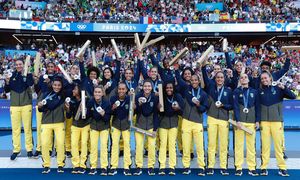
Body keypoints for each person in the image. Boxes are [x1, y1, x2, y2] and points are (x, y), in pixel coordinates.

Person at [259, 71, 296, 177]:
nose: (264, 80)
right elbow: (257, 107)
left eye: (266, 78)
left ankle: (282, 168)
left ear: (270, 78)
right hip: (264, 122)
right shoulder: (259, 91)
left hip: (276, 122)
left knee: (278, 147)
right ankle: (263, 168)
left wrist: (284, 88)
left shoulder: (279, 89)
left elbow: (293, 96)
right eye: (262, 79)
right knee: (265, 147)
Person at [201, 67, 233, 176]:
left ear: (224, 79)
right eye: (217, 77)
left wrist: (223, 105)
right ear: (215, 79)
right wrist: (203, 66)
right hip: (212, 118)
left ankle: (223, 166)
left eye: (221, 77)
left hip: (224, 119)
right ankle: (210, 166)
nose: (219, 79)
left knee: (223, 144)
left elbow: (231, 106)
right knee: (211, 144)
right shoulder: (211, 88)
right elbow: (205, 77)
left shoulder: (228, 91)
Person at [4, 59, 34, 160]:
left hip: (26, 105)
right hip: (14, 106)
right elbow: (7, 90)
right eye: (16, 64)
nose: (18, 66)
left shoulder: (28, 74)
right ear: (15, 66)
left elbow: (30, 83)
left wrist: (27, 72)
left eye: (20, 64)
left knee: (27, 128)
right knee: (15, 129)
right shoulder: (12, 75)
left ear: (23, 65)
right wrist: (7, 82)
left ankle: (29, 149)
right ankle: (16, 150)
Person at [180, 74, 208, 176]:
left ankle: (201, 166)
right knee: (186, 146)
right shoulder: (186, 91)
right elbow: (179, 80)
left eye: (196, 80)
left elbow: (204, 108)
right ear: (190, 81)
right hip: (186, 121)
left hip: (197, 122)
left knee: (200, 146)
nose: (194, 82)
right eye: (192, 80)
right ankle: (186, 166)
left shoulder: (203, 94)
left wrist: (198, 105)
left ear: (199, 81)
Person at [233, 73, 260, 176]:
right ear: (240, 80)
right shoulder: (236, 91)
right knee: (239, 146)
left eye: (245, 77)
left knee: (251, 146)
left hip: (251, 122)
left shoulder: (254, 92)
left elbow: (257, 107)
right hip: (240, 122)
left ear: (248, 80)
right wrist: (238, 120)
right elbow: (235, 106)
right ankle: (238, 167)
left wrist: (257, 120)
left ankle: (252, 168)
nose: (243, 78)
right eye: (241, 77)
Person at [38, 77, 66, 174]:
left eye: (59, 85)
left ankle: (60, 165)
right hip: (46, 122)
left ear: (61, 86)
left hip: (59, 122)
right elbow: (40, 109)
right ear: (52, 85)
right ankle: (46, 165)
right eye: (55, 85)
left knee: (60, 144)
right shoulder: (45, 94)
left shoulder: (63, 96)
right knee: (45, 144)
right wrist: (40, 105)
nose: (57, 87)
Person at [158, 82, 184, 176]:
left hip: (173, 124)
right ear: (165, 89)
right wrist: (158, 108)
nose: (169, 89)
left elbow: (182, 112)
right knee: (163, 145)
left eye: (171, 87)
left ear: (173, 88)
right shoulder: (161, 97)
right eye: (167, 88)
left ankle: (172, 167)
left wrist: (178, 108)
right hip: (163, 124)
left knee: (172, 145)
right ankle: (162, 166)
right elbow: (159, 112)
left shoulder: (177, 97)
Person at [134, 79, 159, 176]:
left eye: (149, 86)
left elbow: (156, 114)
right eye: (145, 86)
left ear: (152, 87)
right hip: (139, 125)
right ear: (142, 87)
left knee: (152, 146)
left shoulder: (155, 98)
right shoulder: (138, 96)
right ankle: (138, 166)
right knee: (139, 146)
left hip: (151, 126)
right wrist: (139, 105)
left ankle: (151, 166)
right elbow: (136, 112)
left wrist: (155, 129)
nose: (147, 88)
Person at [34, 62, 57, 158]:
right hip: (41, 104)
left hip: (53, 105)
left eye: (52, 66)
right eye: (48, 66)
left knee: (53, 128)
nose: (50, 68)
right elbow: (37, 90)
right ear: (46, 68)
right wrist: (36, 82)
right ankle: (39, 148)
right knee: (40, 128)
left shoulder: (57, 77)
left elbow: (57, 90)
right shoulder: (42, 77)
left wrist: (50, 83)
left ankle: (52, 149)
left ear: (54, 68)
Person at [65, 85, 90, 174]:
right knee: (74, 144)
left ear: (80, 91)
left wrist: (86, 111)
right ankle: (75, 165)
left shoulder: (87, 100)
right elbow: (68, 116)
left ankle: (83, 165)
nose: (73, 90)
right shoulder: (71, 100)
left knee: (84, 144)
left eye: (75, 89)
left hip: (85, 125)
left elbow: (90, 114)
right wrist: (67, 109)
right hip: (75, 125)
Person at [109, 82, 132, 176]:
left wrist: (134, 107)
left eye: (123, 89)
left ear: (126, 90)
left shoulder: (130, 99)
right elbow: (109, 112)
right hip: (115, 125)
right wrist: (112, 108)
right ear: (117, 90)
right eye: (120, 89)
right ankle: (113, 166)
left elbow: (133, 112)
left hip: (126, 125)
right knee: (114, 145)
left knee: (127, 145)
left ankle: (127, 166)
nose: (121, 91)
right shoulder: (113, 99)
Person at [87, 85, 111, 175]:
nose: (97, 93)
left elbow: (107, 118)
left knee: (104, 147)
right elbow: (88, 115)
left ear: (102, 93)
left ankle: (104, 167)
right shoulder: (90, 102)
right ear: (93, 93)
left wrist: (103, 114)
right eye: (96, 92)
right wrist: (84, 111)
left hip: (104, 127)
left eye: (99, 92)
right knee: (93, 147)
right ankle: (93, 166)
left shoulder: (106, 103)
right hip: (94, 127)